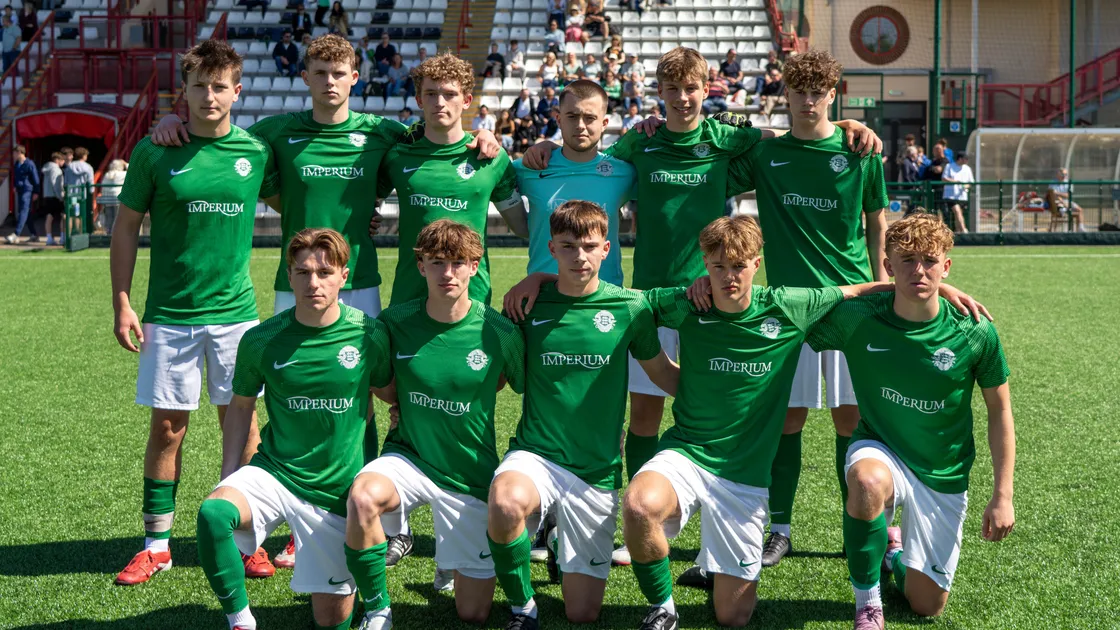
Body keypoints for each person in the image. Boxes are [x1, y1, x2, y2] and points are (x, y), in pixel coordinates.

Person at [148, 34, 500, 571]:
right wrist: (169, 123)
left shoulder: (383, 134)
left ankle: (378, 517)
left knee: (371, 395)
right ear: (306, 77)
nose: (330, 81)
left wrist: (485, 136)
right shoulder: (276, 133)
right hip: (298, 281)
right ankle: (297, 517)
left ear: (355, 78)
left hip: (359, 282)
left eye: (339, 73)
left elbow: (432, 144)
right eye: (320, 72)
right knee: (297, 395)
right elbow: (222, 143)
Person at [520, 46, 881, 566]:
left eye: (692, 88)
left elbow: (794, 136)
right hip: (652, 297)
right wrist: (543, 148)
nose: (683, 98)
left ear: (706, 89)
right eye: (673, 89)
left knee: (776, 416)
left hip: (715, 300)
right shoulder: (636, 146)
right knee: (645, 414)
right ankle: (640, 519)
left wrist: (843, 121)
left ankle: (816, 526)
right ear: (658, 94)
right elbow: (587, 159)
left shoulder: (726, 139)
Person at [621, 215, 901, 630]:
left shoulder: (789, 305)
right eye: (717, 267)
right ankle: (663, 607)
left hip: (744, 476)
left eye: (738, 266)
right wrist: (538, 282)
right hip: (687, 452)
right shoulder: (687, 302)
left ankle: (716, 566)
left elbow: (858, 290)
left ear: (756, 262)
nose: (728, 276)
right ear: (704, 263)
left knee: (732, 616)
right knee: (639, 505)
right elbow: (623, 301)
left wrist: (942, 288)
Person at [110, 38, 276, 588]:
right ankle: (157, 544)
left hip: (236, 314)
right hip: (169, 314)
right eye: (199, 85)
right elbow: (127, 226)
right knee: (166, 427)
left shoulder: (255, 152)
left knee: (242, 423)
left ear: (237, 91)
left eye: (219, 86)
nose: (209, 95)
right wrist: (123, 300)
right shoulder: (156, 152)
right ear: (184, 90)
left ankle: (246, 539)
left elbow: (304, 192)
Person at [719, 48, 889, 570]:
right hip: (790, 308)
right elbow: (711, 158)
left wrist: (883, 283)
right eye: (800, 91)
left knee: (850, 419)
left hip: (852, 303)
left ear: (833, 95)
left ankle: (855, 525)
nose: (809, 100)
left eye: (819, 92)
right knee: (787, 420)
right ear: (786, 95)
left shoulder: (860, 151)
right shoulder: (768, 156)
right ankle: (781, 527)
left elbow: (877, 220)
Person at [808, 213, 1014, 629]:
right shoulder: (859, 317)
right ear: (887, 265)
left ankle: (894, 554)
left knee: (926, 605)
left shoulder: (974, 331)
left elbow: (1000, 410)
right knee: (866, 481)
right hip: (880, 446)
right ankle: (868, 603)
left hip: (942, 470)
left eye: (929, 260)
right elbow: (796, 306)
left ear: (946, 266)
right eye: (905, 260)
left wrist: (1002, 495)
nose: (918, 270)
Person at [489, 201, 678, 630]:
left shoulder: (631, 308)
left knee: (582, 614)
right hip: (535, 455)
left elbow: (666, 376)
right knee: (504, 502)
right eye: (569, 246)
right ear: (552, 248)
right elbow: (499, 379)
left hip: (596, 469)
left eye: (590, 246)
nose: (580, 256)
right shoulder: (527, 303)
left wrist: (735, 398)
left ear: (607, 249)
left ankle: (556, 540)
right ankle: (523, 609)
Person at [196, 228, 393, 630]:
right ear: (289, 276)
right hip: (275, 473)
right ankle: (241, 621)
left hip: (336, 491)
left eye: (324, 272)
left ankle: (365, 596)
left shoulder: (369, 334)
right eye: (302, 273)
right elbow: (241, 407)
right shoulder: (261, 339)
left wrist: (378, 474)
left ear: (344, 275)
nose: (313, 283)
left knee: (331, 621)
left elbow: (391, 398)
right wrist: (229, 473)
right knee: (215, 513)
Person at [345, 220, 526, 630]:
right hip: (408, 457)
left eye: (458, 263)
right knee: (362, 497)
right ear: (420, 265)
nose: (448, 273)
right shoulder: (394, 322)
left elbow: (518, 386)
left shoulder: (498, 330)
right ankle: (377, 610)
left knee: (473, 614)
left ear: (474, 267)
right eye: (437, 262)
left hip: (469, 473)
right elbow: (384, 384)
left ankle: (450, 562)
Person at [375, 53, 527, 307]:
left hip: (472, 300)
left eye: (449, 94)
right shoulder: (397, 156)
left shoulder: (491, 157)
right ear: (419, 100)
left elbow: (523, 228)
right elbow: (365, 200)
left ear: (467, 100)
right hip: (409, 298)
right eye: (431, 94)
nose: (439, 102)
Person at [509, 81, 635, 292]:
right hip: (544, 296)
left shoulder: (625, 173)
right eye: (572, 116)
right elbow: (486, 166)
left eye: (589, 118)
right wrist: (481, 134)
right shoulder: (528, 168)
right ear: (559, 119)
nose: (580, 125)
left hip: (606, 297)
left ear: (604, 123)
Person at [6, 144, 39, 244]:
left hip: (27, 190)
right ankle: (34, 234)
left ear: (20, 153)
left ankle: (16, 234)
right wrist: (15, 186)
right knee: (26, 213)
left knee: (23, 211)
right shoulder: (17, 164)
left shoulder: (29, 164)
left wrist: (36, 192)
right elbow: (16, 177)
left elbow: (35, 178)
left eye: (15, 153)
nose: (13, 155)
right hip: (20, 190)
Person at [64, 146, 95, 236]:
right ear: (84, 156)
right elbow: (90, 183)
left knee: (70, 215)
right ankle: (79, 235)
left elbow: (65, 182)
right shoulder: (88, 167)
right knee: (81, 215)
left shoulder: (69, 167)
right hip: (82, 195)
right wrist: (91, 193)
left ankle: (68, 236)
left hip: (71, 194)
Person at [940, 152, 973, 233]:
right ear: (960, 159)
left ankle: (958, 232)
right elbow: (944, 178)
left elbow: (970, 182)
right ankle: (964, 230)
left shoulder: (967, 168)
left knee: (958, 214)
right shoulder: (949, 166)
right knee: (957, 211)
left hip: (962, 196)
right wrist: (956, 181)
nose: (967, 160)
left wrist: (965, 186)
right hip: (951, 196)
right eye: (965, 158)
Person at [1047, 167, 1087, 231]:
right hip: (1057, 203)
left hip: (1067, 202)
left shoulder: (1068, 183)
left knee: (1080, 210)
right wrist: (1061, 199)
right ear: (1058, 174)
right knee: (1061, 209)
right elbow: (1052, 195)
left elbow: (1068, 195)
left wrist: (1058, 193)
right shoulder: (1052, 183)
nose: (1064, 176)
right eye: (1063, 174)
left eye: (1066, 175)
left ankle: (1080, 229)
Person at [38, 152, 65, 245]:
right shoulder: (56, 170)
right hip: (55, 196)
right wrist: (61, 197)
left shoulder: (46, 169)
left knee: (49, 217)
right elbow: (56, 185)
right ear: (57, 160)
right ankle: (63, 237)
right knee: (63, 216)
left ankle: (49, 238)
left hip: (47, 196)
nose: (63, 162)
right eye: (62, 160)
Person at [98, 159, 127, 237]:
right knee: (117, 217)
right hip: (117, 199)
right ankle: (116, 235)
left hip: (107, 199)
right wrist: (125, 164)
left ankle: (109, 234)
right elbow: (133, 170)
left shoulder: (107, 174)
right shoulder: (122, 174)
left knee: (109, 217)